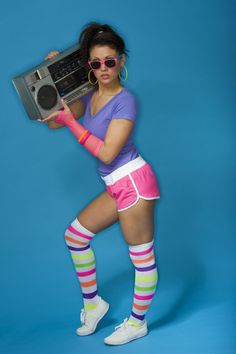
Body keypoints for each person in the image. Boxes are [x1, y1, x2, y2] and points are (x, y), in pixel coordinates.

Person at [40, 22, 160, 346]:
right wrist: (53, 80)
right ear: (89, 67)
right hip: (115, 185)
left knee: (141, 257)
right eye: (96, 63)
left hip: (133, 184)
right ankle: (94, 305)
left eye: (110, 61)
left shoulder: (126, 101)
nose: (103, 68)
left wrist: (70, 125)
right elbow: (56, 123)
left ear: (120, 60)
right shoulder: (90, 94)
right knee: (75, 236)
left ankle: (137, 323)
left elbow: (107, 152)